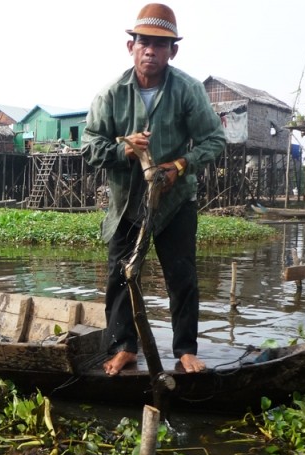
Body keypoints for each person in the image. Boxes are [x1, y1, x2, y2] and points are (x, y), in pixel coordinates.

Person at [81, 3, 226, 375]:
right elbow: (90, 147)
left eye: (160, 45)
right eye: (144, 42)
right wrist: (123, 149)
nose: (150, 50)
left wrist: (179, 166)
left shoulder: (188, 91)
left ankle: (185, 350)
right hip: (128, 202)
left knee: (182, 274)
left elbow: (214, 140)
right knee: (120, 274)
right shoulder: (111, 94)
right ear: (130, 46)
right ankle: (124, 346)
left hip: (175, 201)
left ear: (172, 51)